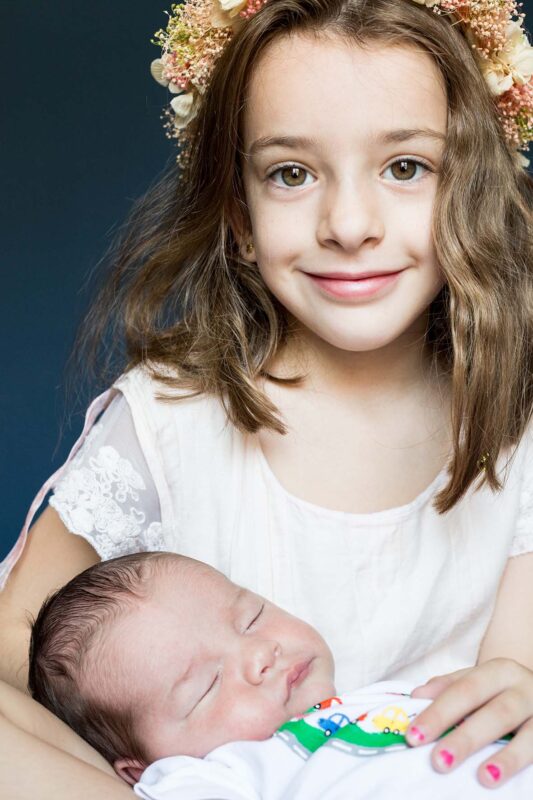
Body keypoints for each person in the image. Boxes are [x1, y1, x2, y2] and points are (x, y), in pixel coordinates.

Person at [0, 0, 532, 796]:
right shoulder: (167, 424)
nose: (348, 225)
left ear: (475, 189)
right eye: (291, 173)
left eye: (405, 167)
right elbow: (14, 670)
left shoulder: (517, 422)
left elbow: (513, 669)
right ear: (238, 218)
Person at [27, 551, 533, 798]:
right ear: (139, 771)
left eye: (250, 616)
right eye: (206, 684)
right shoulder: (212, 776)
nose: (260, 654)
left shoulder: (382, 699)